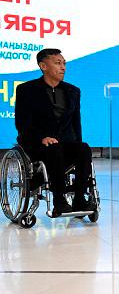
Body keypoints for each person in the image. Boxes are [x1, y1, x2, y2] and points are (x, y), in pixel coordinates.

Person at [15, 48, 95, 217]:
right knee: (54, 149)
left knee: (84, 149)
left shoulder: (73, 91)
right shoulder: (26, 90)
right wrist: (41, 138)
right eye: (58, 63)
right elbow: (22, 123)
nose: (63, 67)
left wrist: (78, 142)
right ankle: (59, 200)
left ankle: (80, 198)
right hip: (38, 143)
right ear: (43, 66)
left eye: (64, 63)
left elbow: (76, 123)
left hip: (65, 142)